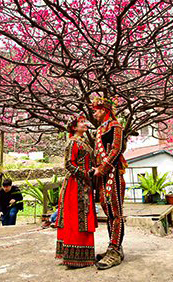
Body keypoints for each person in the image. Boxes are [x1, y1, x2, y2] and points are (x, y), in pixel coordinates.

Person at [55, 115, 97, 268]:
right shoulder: (72, 143)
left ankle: (82, 256)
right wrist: (86, 174)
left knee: (83, 217)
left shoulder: (83, 142)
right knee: (74, 218)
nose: (84, 124)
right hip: (75, 185)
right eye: (81, 122)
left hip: (83, 183)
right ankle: (73, 257)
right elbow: (68, 164)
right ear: (74, 127)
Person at [91, 96, 126, 270]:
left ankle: (115, 249)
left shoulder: (115, 126)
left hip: (113, 173)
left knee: (115, 211)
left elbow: (116, 149)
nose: (95, 113)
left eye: (96, 110)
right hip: (103, 175)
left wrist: (103, 167)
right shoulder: (100, 129)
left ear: (104, 110)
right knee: (107, 210)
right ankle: (113, 246)